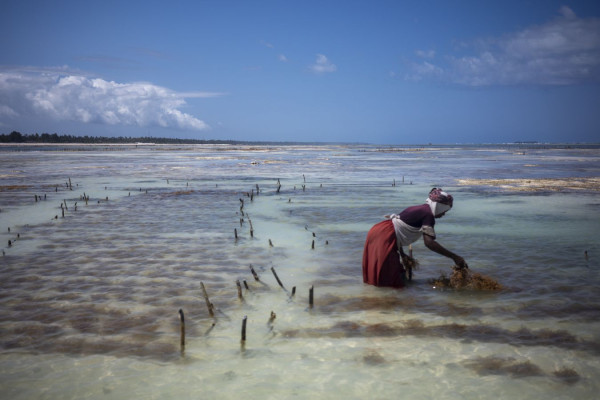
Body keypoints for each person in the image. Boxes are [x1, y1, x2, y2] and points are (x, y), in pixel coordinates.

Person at [362, 188, 468, 288]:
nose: (444, 214)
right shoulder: (428, 215)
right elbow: (429, 243)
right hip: (384, 235)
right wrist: (454, 257)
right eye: (444, 211)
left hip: (380, 231)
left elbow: (397, 230)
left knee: (392, 275)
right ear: (439, 207)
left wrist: (403, 255)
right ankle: (385, 302)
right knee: (389, 280)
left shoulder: (422, 209)